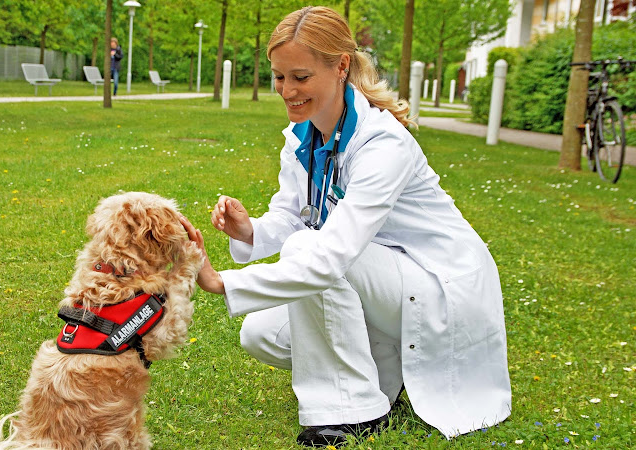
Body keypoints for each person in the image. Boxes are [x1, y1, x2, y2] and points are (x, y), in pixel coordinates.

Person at [180, 5, 511, 448]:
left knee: (308, 252)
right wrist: (250, 232)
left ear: (340, 67)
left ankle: (354, 413)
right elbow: (296, 215)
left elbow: (331, 251)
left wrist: (222, 282)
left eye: (300, 77)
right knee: (260, 335)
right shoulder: (303, 137)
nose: (287, 91)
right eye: (279, 76)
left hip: (439, 284)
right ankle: (383, 371)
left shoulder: (383, 143)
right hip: (382, 278)